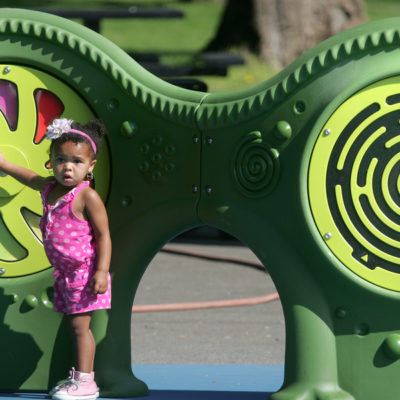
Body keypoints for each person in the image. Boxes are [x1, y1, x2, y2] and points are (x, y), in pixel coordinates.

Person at [0, 118, 111, 400]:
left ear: (91, 166)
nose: (68, 167)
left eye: (76, 161)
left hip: (84, 273)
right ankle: (78, 377)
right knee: (74, 328)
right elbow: (29, 177)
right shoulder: (50, 188)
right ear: (51, 161)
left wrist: (101, 271)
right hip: (64, 274)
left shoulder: (87, 196)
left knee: (79, 328)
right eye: (60, 159)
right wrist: (4, 164)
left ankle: (86, 382)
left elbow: (104, 236)